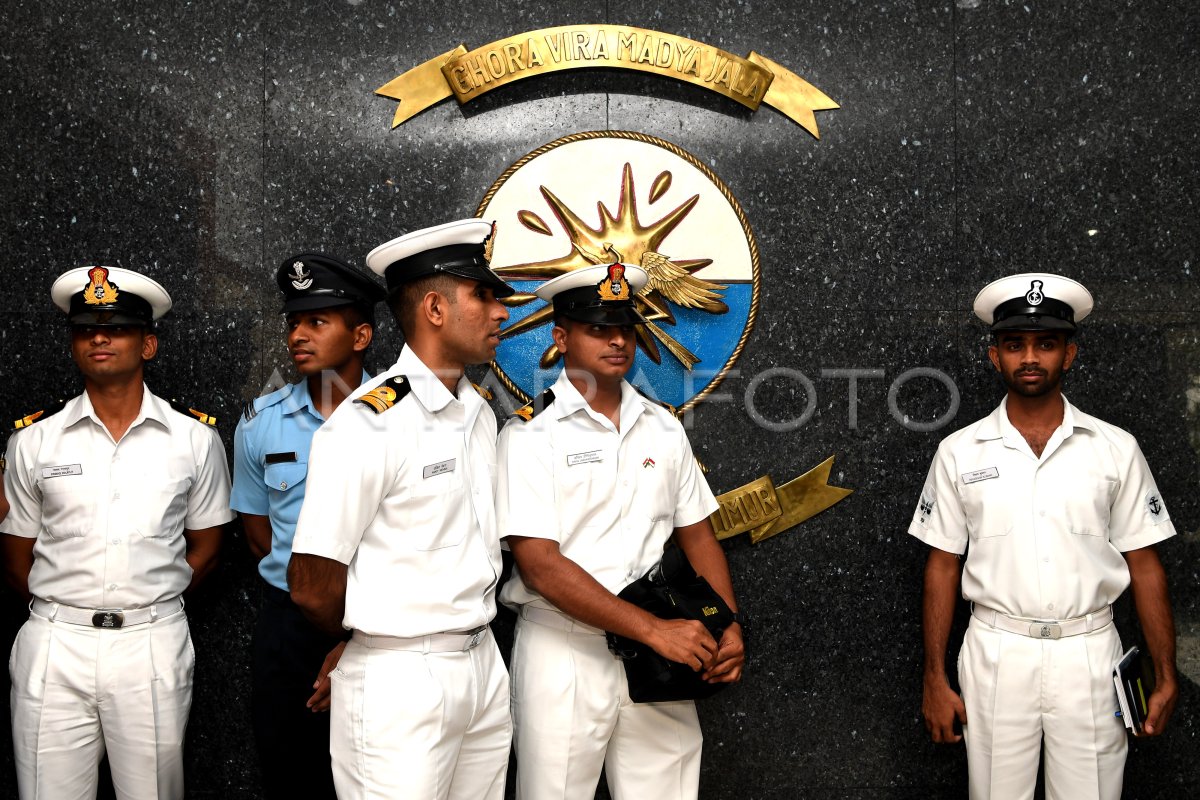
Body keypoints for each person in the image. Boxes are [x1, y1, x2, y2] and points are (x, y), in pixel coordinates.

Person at [911, 273, 1178, 800]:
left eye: (1045, 344)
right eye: (1015, 345)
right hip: (995, 652)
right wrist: (934, 678)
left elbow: (1145, 563)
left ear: (1069, 354)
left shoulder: (1115, 449)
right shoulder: (960, 452)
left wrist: (1165, 673)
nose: (1029, 357)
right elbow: (941, 566)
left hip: (1090, 653)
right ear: (995, 357)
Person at [497, 262, 745, 800]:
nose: (616, 341)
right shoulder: (529, 435)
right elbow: (539, 566)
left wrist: (725, 624)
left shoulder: (662, 426)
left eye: (624, 329)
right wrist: (653, 630)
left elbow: (698, 537)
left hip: (665, 654)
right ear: (561, 338)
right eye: (597, 329)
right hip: (566, 651)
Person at [287, 219, 514, 800]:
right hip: (401, 680)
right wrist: (374, 637)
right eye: (483, 296)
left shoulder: (479, 413)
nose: (500, 313)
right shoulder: (369, 423)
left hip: (483, 663)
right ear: (435, 308)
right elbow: (312, 583)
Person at [0, 265, 233, 800]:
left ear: (148, 344)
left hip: (150, 642)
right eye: (84, 329)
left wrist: (142, 601)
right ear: (72, 345)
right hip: (56, 642)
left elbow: (208, 548)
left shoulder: (194, 441)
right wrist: (73, 606)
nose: (98, 338)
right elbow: (15, 557)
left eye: (117, 328)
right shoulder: (33, 443)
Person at [231, 253, 386, 799]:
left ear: (361, 334)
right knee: (291, 773)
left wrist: (357, 631)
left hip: (386, 622)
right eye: (293, 322)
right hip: (290, 628)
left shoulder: (400, 417)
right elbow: (258, 535)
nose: (299, 334)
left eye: (317, 321)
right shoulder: (260, 421)